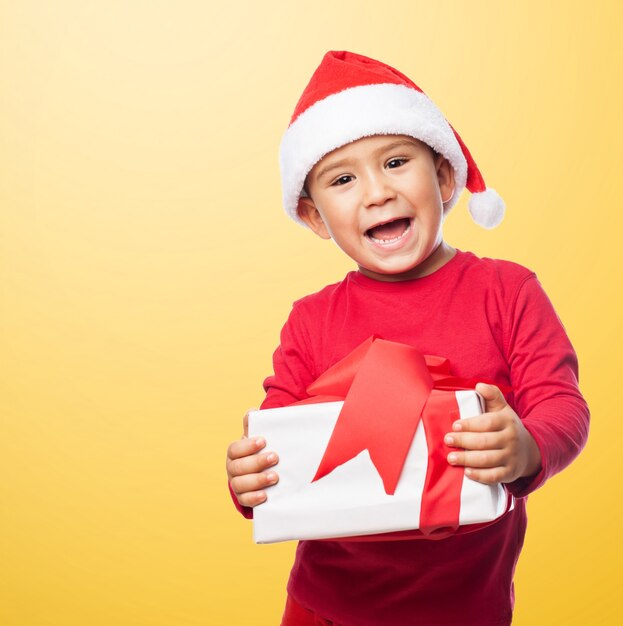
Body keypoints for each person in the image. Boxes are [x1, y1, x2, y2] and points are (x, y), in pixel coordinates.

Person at [225, 50, 590, 626]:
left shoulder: (508, 290)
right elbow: (278, 437)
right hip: (324, 607)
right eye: (342, 179)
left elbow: (561, 402)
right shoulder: (310, 320)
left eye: (396, 162)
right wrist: (251, 478)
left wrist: (529, 448)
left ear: (445, 176)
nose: (376, 193)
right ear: (315, 216)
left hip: (466, 607)